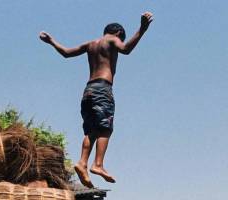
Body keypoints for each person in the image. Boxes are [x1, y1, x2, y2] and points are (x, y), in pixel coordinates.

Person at [39, 12, 154, 187]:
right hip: (103, 89)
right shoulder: (112, 40)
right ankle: (98, 164)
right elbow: (126, 49)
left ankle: (82, 163)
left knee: (91, 131)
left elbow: (66, 53)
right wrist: (142, 29)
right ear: (118, 33)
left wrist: (51, 41)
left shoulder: (90, 44)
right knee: (105, 128)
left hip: (88, 92)